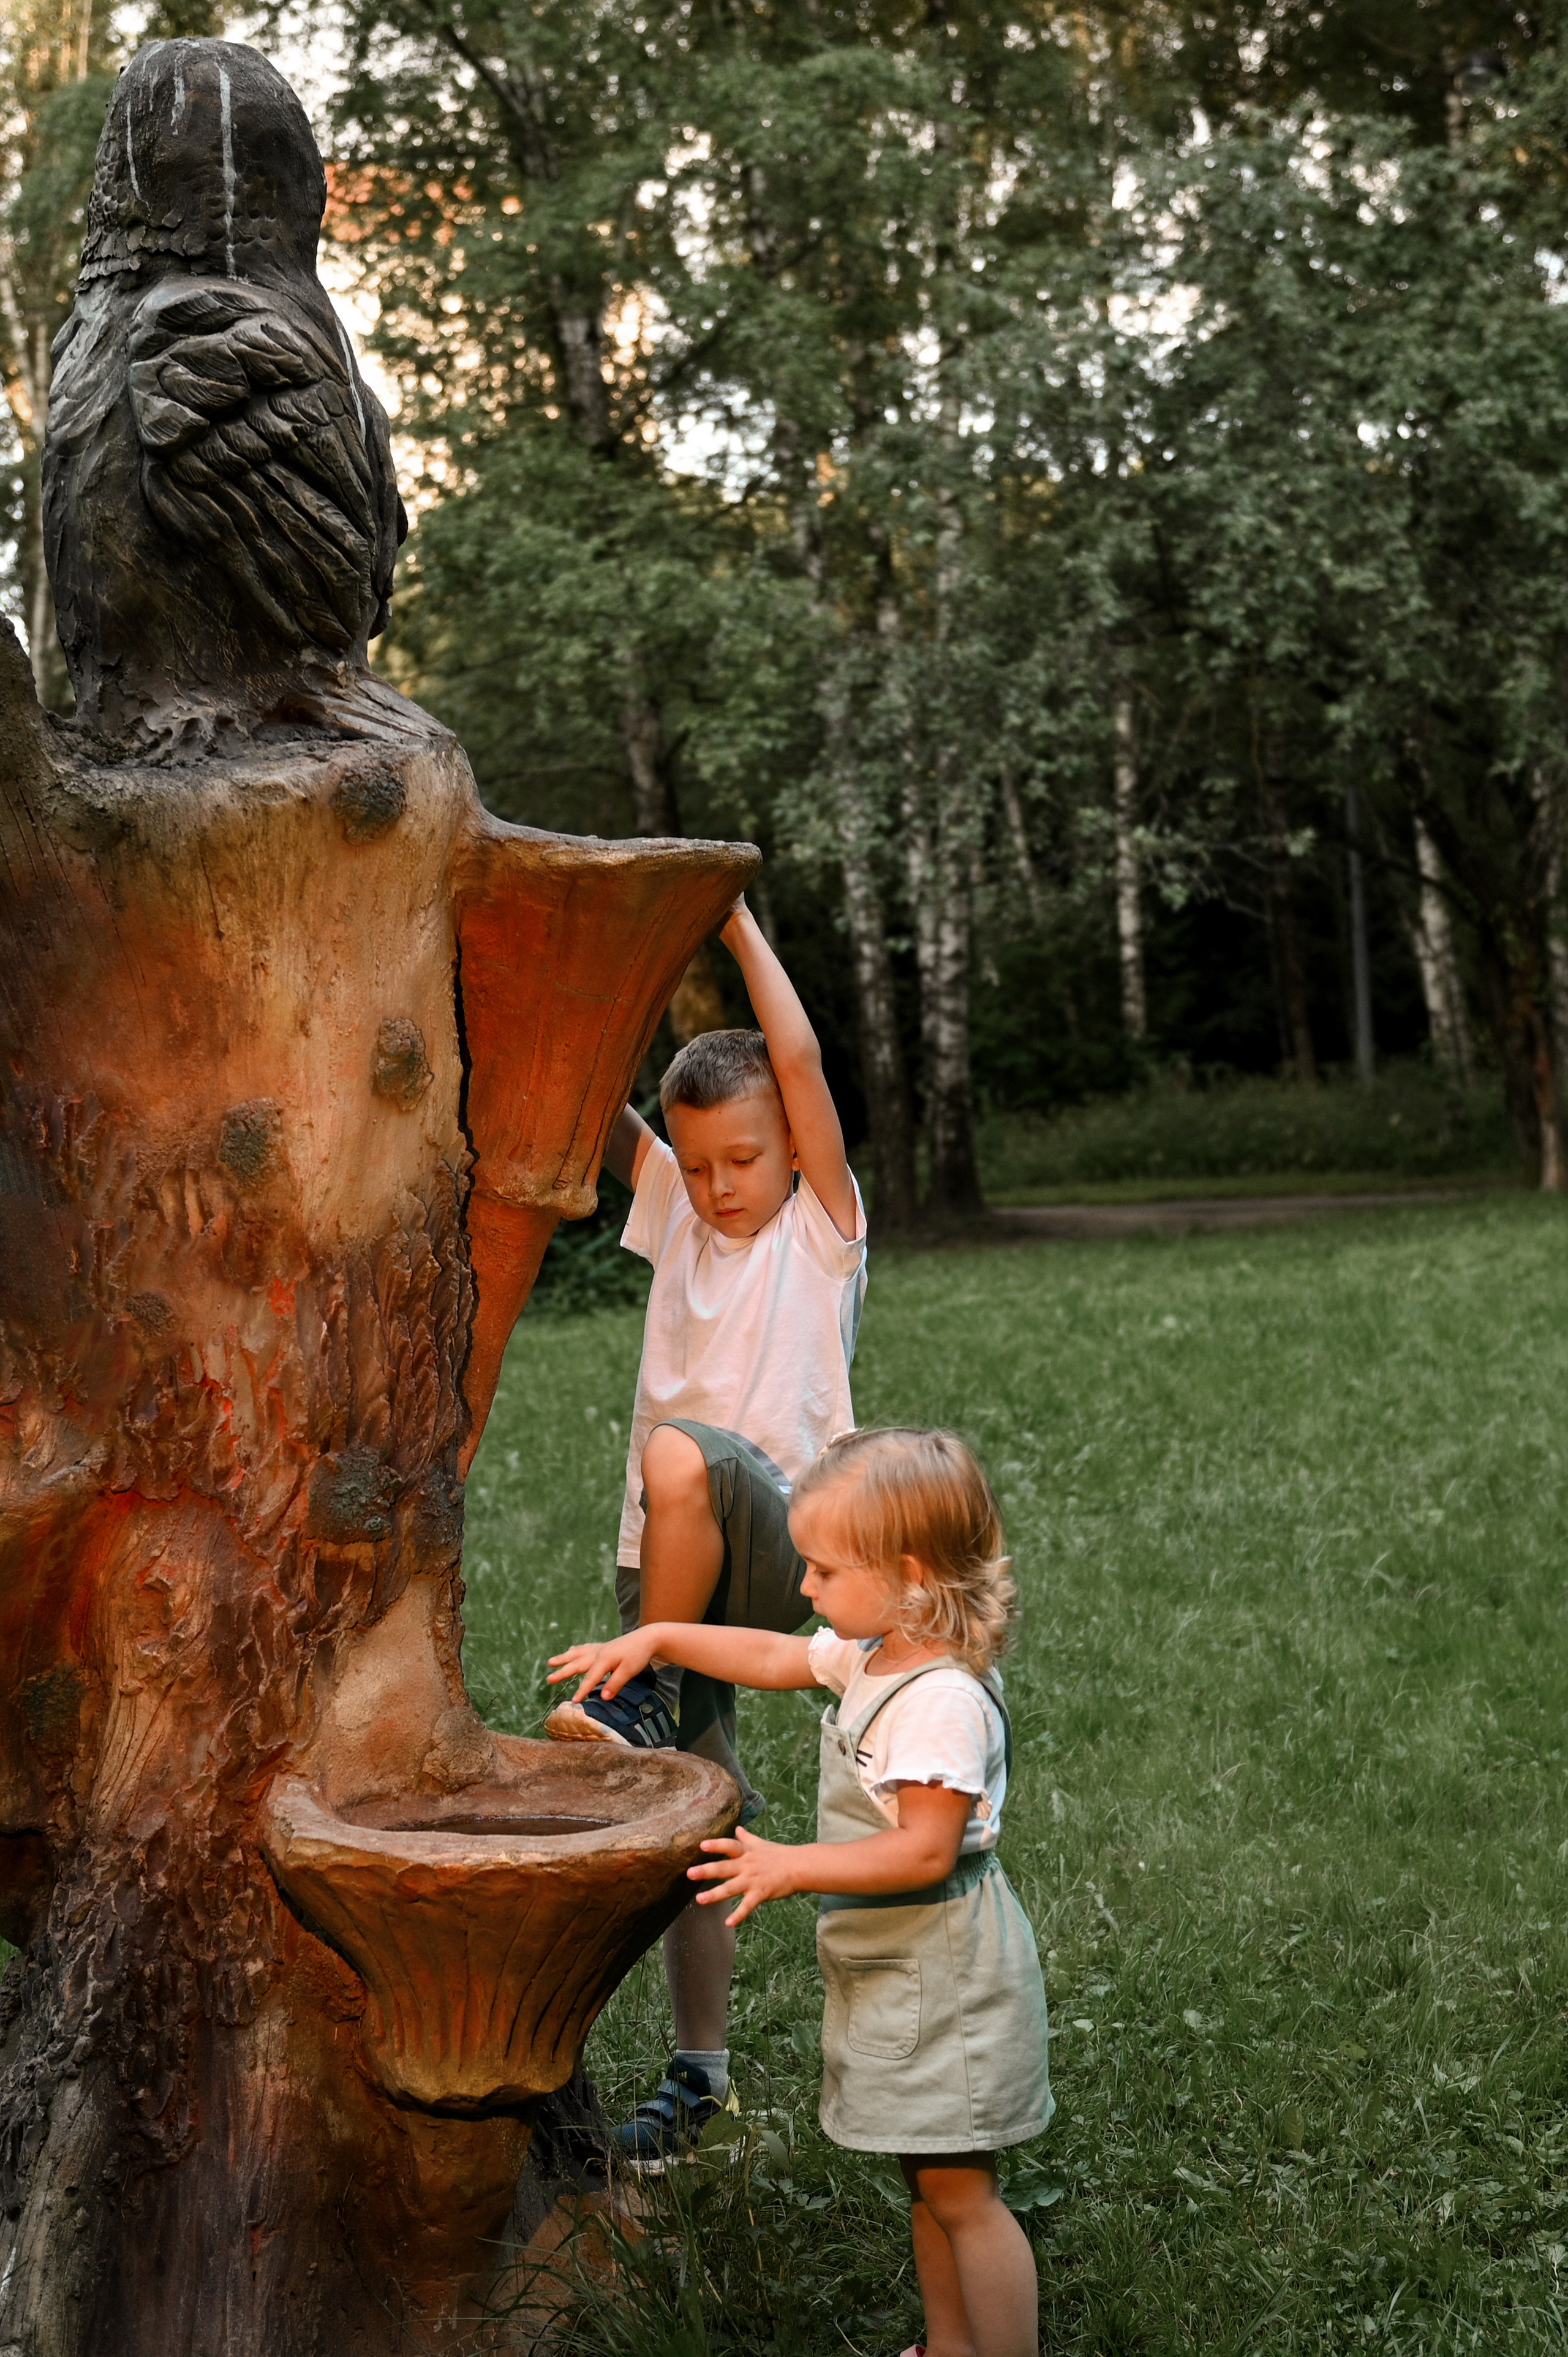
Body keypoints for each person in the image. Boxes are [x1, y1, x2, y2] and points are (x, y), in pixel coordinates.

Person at [549, 1427, 1052, 2357]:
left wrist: (787, 1864)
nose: (805, 1590)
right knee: (929, 2184)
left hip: (947, 1981)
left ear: (906, 1574)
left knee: (964, 2197)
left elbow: (924, 1854)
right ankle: (950, 2346)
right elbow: (774, 1658)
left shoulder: (938, 1700)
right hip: (900, 1972)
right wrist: (661, 1633)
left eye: (821, 1570)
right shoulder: (877, 1651)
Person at [544, 895, 867, 2159]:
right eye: (698, 1163)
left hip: (788, 1540)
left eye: (744, 1157)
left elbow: (795, 1061)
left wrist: (721, 918)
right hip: (662, 1554)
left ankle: (647, 1681)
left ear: (790, 1145)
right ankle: (698, 2073)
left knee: (682, 1450)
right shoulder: (676, 1205)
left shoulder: (819, 1228)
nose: (720, 1185)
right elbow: (586, 1102)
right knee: (699, 1804)